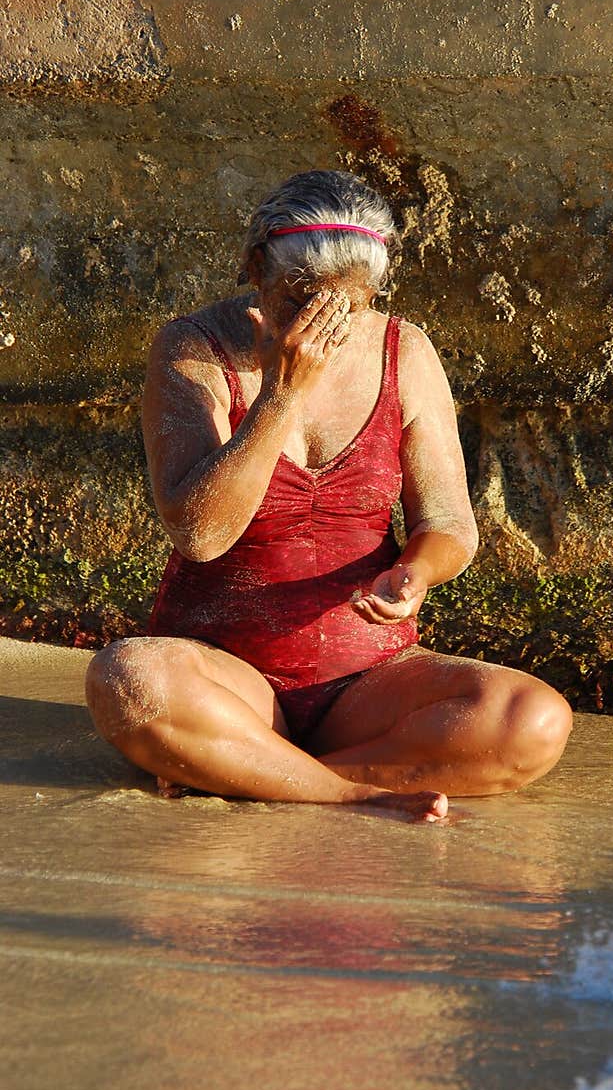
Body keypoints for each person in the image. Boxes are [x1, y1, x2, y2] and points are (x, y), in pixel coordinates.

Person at [85, 170, 572, 821]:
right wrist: (282, 394)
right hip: (228, 675)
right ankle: (351, 792)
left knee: (532, 718)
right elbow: (200, 534)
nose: (328, 329)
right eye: (304, 301)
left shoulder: (407, 349)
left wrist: (415, 572)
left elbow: (452, 524)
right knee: (131, 683)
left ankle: (250, 769)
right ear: (256, 268)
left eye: (352, 306)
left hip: (370, 680)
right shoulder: (191, 347)